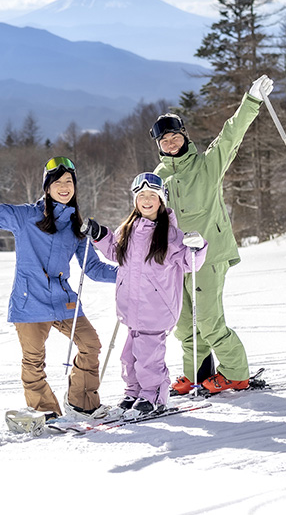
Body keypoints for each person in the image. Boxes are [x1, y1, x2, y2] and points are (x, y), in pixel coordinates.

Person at [0, 156, 117, 421]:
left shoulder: (77, 227)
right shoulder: (26, 217)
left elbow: (94, 269)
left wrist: (130, 275)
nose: (65, 187)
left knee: (91, 345)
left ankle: (81, 402)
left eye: (69, 182)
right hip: (30, 302)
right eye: (58, 182)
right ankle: (45, 412)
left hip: (64, 301)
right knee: (34, 361)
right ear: (47, 187)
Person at [150, 74, 274, 395]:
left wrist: (252, 100)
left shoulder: (206, 165)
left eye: (175, 137)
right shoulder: (159, 177)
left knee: (207, 320)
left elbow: (231, 135)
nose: (171, 143)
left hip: (209, 254)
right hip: (177, 260)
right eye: (164, 141)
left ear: (184, 136)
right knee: (184, 324)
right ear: (159, 145)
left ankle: (235, 373)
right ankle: (196, 374)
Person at [84, 172, 207, 415]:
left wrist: (197, 247)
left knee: (149, 359)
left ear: (161, 201)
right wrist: (100, 234)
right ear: (135, 200)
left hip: (156, 309)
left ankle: (153, 396)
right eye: (142, 196)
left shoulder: (171, 235)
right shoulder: (127, 229)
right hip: (131, 309)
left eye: (153, 195)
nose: (147, 200)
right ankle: (134, 392)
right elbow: (114, 251)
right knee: (129, 358)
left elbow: (189, 262)